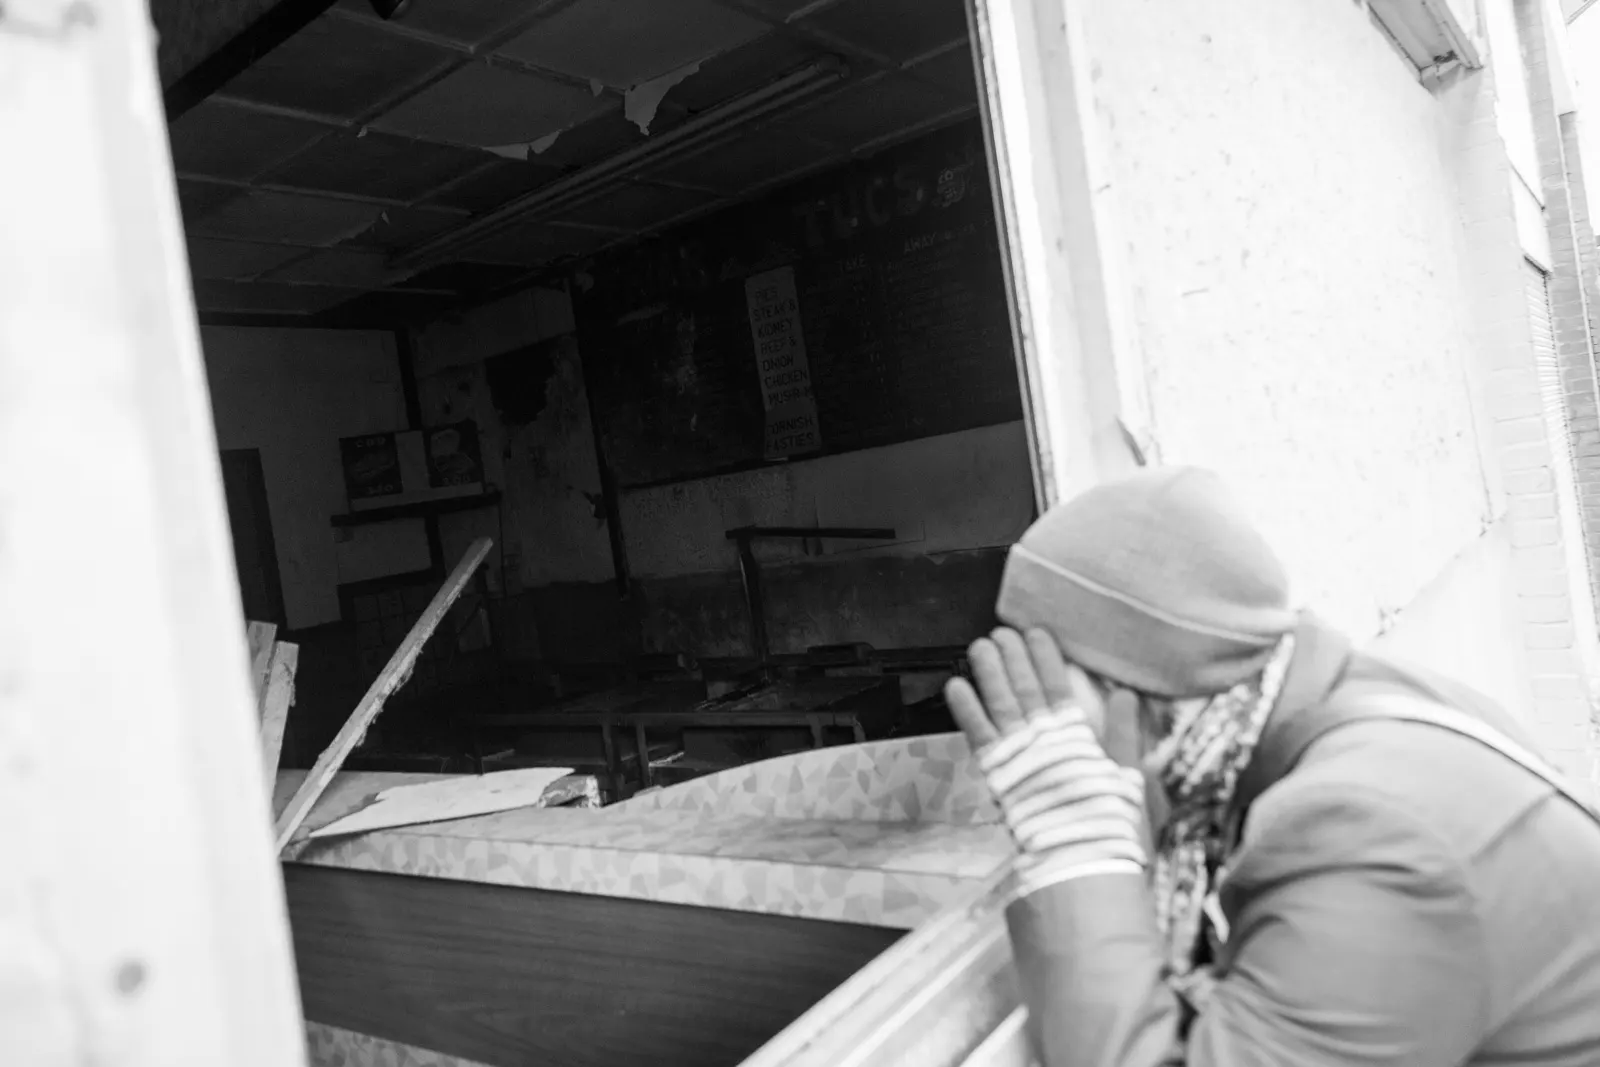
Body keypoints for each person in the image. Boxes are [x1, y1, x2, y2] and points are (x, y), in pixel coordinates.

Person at [945, 466, 1600, 1067]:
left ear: (1134, 686)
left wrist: (1077, 848)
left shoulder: (1369, 830)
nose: (1045, 721)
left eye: (1055, 678)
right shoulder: (1351, 710)